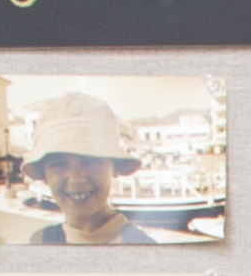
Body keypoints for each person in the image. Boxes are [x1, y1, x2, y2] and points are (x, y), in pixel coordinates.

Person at [25, 97, 159, 245]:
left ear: (115, 166)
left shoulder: (142, 247)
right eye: (59, 164)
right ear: (44, 175)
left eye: (90, 161)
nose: (76, 178)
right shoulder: (41, 241)